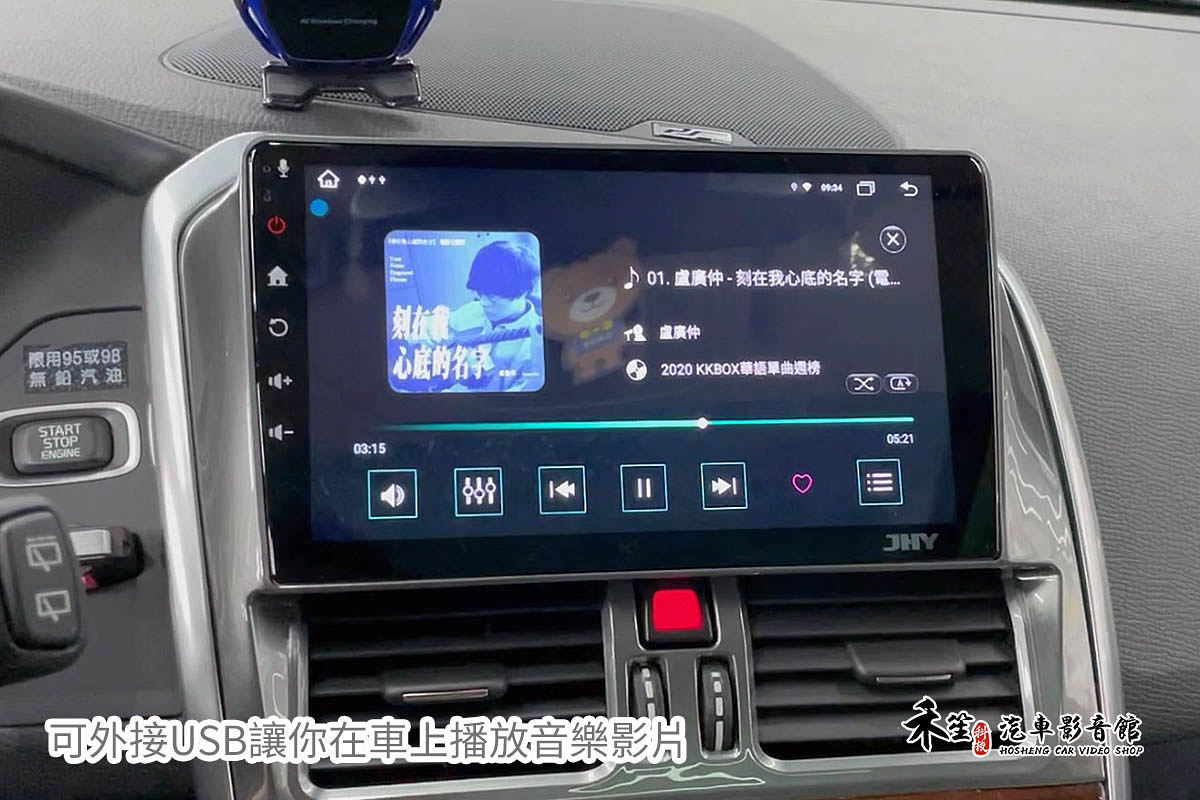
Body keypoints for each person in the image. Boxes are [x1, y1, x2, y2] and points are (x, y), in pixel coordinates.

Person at [445, 240, 544, 391]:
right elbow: (438, 327)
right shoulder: (473, 310)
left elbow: (522, 399)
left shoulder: (535, 346)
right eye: (480, 293)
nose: (483, 302)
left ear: (523, 292)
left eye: (492, 297)